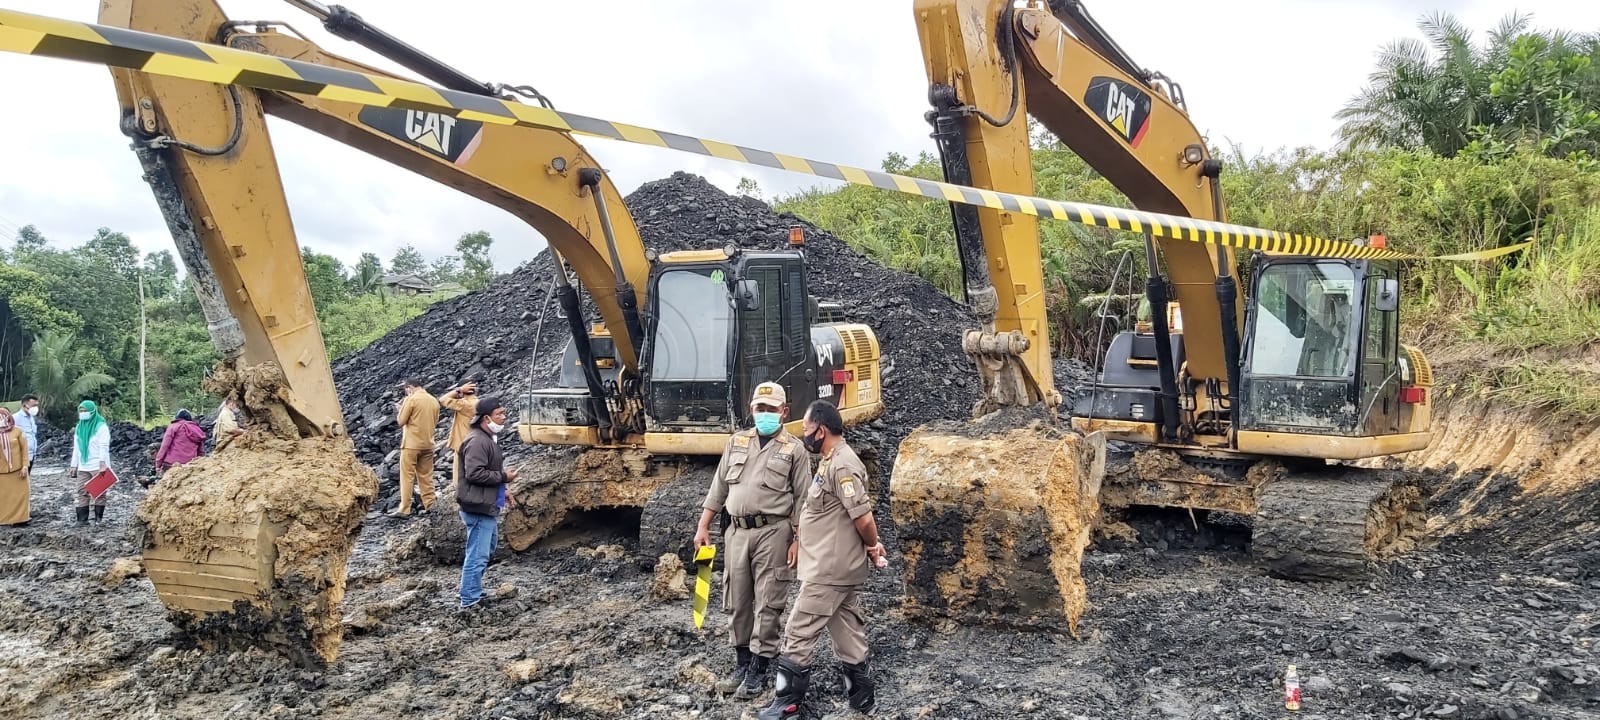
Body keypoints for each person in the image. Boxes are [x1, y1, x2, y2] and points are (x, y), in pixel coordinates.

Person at [757, 400, 885, 720]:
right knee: (847, 633)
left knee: (798, 632)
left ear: (822, 429)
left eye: (807, 430)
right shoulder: (831, 460)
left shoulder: (842, 465)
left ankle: (786, 705)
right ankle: (863, 700)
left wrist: (872, 545)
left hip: (828, 570)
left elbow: (863, 518)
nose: (805, 436)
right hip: (837, 567)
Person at [693, 382, 810, 700]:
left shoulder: (794, 449)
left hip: (774, 533)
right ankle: (742, 665)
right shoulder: (737, 442)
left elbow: (803, 500)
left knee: (769, 602)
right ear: (751, 408)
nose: (765, 414)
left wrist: (798, 539)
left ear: (784, 412)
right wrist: (703, 526)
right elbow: (718, 489)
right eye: (761, 408)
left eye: (772, 409)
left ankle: (759, 670)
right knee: (737, 600)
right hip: (737, 533)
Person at [456, 395, 517, 610]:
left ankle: (471, 591)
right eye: (499, 414)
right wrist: (503, 478)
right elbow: (474, 474)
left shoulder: (487, 439)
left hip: (485, 503)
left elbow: (487, 471)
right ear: (485, 418)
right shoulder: (477, 441)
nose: (504, 417)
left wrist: (503, 491)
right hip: (478, 506)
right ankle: (470, 599)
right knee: (478, 555)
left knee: (486, 549)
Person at [392, 378, 441, 517]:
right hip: (428, 443)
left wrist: (400, 410)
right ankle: (430, 504)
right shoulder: (433, 401)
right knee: (426, 475)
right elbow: (434, 421)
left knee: (407, 475)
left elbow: (401, 422)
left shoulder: (411, 399)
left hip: (411, 444)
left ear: (409, 388)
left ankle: (404, 508)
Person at [69, 400, 113, 525]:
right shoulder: (79, 427)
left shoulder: (101, 426)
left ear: (93, 411)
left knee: (99, 491)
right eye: (81, 411)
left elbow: (103, 446)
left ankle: (98, 519)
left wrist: (102, 463)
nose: (83, 414)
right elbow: (77, 447)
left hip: (98, 465)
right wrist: (74, 464)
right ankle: (82, 520)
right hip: (83, 465)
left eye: (85, 411)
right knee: (81, 491)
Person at [438, 381, 478, 488]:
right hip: (475, 442)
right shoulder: (478, 402)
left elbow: (442, 400)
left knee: (460, 476)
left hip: (463, 443)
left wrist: (459, 389)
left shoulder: (465, 404)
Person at [0, 408, 30, 526]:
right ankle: (4, 520)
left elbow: (24, 450)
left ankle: (21, 519)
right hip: (2, 472)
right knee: (4, 497)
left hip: (18, 471)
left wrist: (25, 466)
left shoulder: (18, 431)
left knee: (20, 496)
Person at [153, 409, 206, 476]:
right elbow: (201, 452)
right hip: (191, 466)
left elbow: (164, 446)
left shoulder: (174, 427)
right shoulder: (197, 430)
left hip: (172, 465)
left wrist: (158, 464)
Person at [16, 394, 39, 473]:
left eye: (36, 405)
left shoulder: (31, 418)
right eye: (33, 405)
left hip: (32, 454)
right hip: (21, 456)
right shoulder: (15, 418)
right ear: (24, 405)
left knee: (27, 478)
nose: (35, 408)